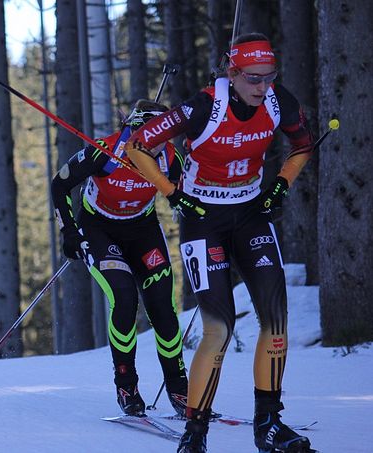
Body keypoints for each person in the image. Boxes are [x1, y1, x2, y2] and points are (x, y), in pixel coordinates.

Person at [123, 34, 316, 453]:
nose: (262, 87)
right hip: (203, 221)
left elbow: (303, 145)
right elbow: (137, 146)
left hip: (250, 215)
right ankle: (195, 434)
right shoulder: (202, 106)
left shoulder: (278, 101)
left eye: (269, 77)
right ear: (232, 71)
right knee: (219, 327)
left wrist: (281, 185)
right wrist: (170, 191)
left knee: (275, 319)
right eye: (252, 78)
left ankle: (268, 425)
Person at [51, 99, 189, 417]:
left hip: (142, 230)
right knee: (124, 298)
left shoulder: (170, 157)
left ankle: (180, 389)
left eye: (164, 137)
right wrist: (68, 232)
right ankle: (126, 384)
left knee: (163, 309)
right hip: (99, 229)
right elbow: (60, 185)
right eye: (151, 138)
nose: (157, 147)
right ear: (133, 130)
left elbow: (185, 200)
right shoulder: (105, 150)